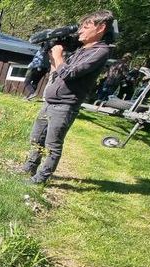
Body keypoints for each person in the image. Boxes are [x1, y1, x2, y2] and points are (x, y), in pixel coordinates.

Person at [19, 10, 113, 184]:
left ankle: (40, 179)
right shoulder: (80, 49)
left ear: (101, 28)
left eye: (86, 27)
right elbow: (59, 72)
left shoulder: (100, 51)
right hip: (50, 102)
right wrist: (53, 57)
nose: (80, 31)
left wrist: (58, 55)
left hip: (65, 105)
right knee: (36, 137)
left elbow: (70, 73)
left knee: (52, 145)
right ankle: (29, 167)